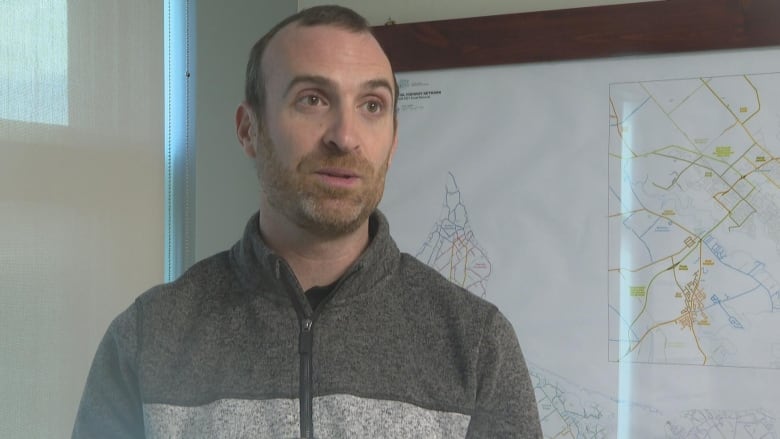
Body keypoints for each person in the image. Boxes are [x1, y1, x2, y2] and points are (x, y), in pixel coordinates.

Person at [72, 5, 543, 438]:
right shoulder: (146, 339)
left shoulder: (477, 345)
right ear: (248, 130)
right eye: (313, 99)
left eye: (372, 105)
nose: (345, 136)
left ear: (393, 141)